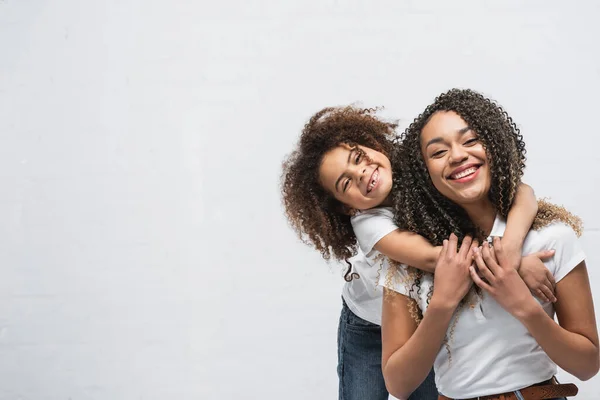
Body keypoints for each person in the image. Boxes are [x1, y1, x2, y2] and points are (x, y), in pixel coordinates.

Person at [281, 106, 556, 400]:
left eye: (358, 158)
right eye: (346, 182)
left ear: (373, 144)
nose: (361, 172)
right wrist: (509, 264)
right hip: (368, 326)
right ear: (347, 207)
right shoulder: (368, 222)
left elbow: (523, 193)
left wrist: (512, 250)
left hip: (417, 318)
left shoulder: (423, 172)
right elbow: (435, 258)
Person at [380, 88, 599, 400]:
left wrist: (522, 304)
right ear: (424, 174)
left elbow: (588, 364)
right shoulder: (409, 258)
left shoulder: (550, 238)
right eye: (438, 152)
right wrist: (442, 302)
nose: (457, 155)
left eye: (470, 140)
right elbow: (398, 385)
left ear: (495, 145)